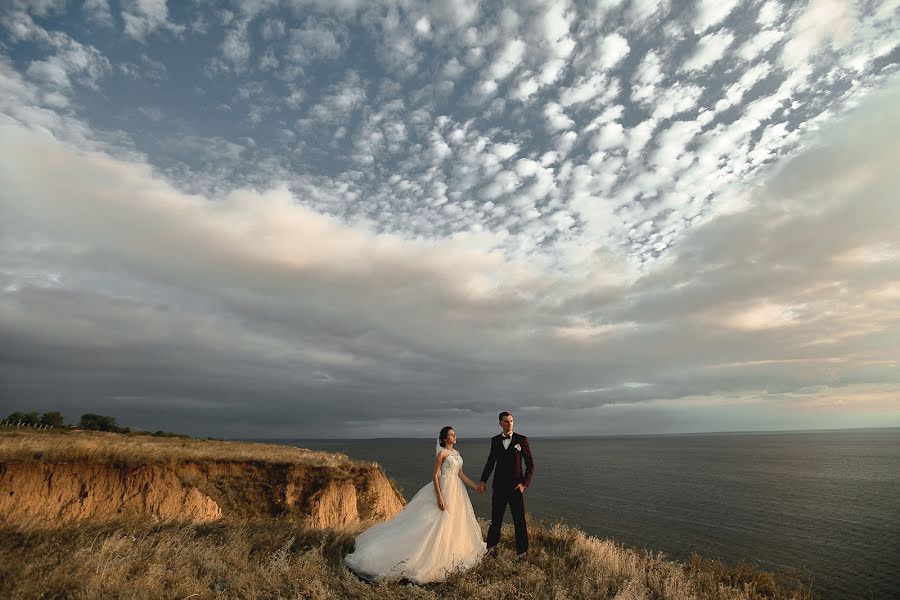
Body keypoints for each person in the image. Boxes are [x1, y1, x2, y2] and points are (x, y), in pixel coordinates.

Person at [344, 426, 486, 583]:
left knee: (454, 523)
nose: (454, 436)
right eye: (451, 435)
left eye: (454, 434)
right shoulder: (442, 454)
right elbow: (435, 476)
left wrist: (475, 487)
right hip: (444, 490)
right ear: (445, 439)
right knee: (436, 522)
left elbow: (460, 474)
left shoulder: (457, 454)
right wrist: (440, 497)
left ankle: (451, 553)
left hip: (457, 491)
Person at [477, 411, 534, 558]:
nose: (510, 423)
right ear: (500, 423)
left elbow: (530, 465)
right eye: (506, 421)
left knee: (519, 522)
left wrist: (524, 484)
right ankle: (491, 550)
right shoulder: (495, 440)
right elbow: (490, 463)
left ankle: (522, 553)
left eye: (512, 421)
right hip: (499, 488)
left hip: (516, 488)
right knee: (496, 521)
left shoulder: (522, 440)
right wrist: (483, 481)